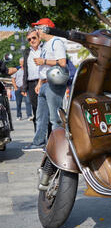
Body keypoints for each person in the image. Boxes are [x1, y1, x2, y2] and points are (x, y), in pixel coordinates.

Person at [22, 18, 68, 152]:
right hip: (44, 83)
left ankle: (58, 146)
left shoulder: (56, 42)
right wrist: (40, 82)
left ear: (46, 28)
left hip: (54, 83)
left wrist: (44, 61)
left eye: (38, 28)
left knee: (55, 118)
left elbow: (62, 62)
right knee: (40, 117)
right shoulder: (47, 45)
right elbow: (44, 68)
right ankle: (39, 142)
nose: (37, 31)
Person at [21, 28, 43, 131]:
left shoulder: (45, 48)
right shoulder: (27, 52)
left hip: (44, 82)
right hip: (31, 84)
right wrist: (24, 87)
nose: (32, 41)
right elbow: (25, 69)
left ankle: (50, 138)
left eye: (34, 38)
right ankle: (38, 138)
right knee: (36, 111)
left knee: (46, 111)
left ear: (39, 37)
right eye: (29, 39)